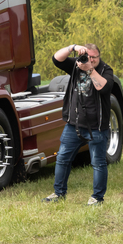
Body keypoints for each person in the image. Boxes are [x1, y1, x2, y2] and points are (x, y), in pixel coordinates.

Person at [43, 43, 114, 206]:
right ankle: (59, 193)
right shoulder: (76, 65)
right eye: (87, 56)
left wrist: (89, 69)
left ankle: (97, 198)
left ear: (99, 57)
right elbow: (56, 59)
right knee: (62, 158)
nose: (90, 60)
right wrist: (72, 47)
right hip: (74, 124)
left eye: (94, 57)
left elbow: (103, 87)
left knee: (98, 163)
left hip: (96, 126)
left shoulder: (105, 70)